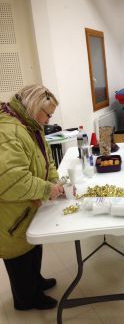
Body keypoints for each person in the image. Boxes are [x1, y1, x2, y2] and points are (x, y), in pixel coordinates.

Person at [0, 85, 64, 310]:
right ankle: (26, 300)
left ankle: (35, 282)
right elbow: (11, 181)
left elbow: (46, 160)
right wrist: (47, 189)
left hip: (27, 208)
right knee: (19, 259)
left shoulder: (29, 126)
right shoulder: (8, 131)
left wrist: (55, 181)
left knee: (32, 250)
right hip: (11, 214)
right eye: (47, 114)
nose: (48, 120)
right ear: (34, 106)